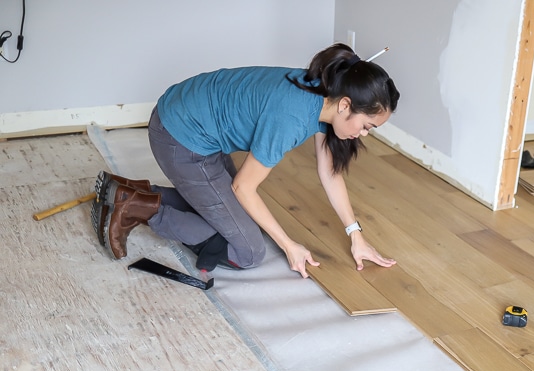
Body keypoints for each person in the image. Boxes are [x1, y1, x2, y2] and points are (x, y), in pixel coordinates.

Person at [91, 43, 399, 277]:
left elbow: (330, 173)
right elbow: (242, 188)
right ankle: (138, 208)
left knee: (240, 219)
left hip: (189, 120)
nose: (365, 134)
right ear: (346, 106)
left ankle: (126, 192)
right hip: (181, 138)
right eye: (367, 126)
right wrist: (289, 245)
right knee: (248, 251)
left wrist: (355, 235)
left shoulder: (323, 90)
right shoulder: (291, 117)